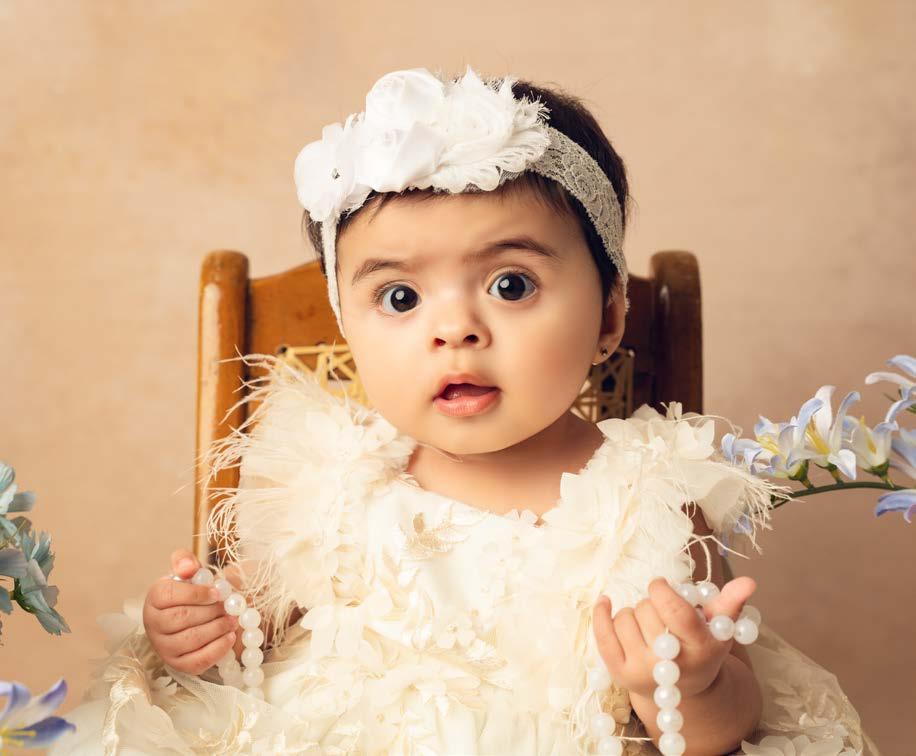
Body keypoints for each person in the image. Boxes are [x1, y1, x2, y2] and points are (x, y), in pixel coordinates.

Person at [50, 66, 881, 755]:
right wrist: (202, 625)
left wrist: (688, 684)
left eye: (510, 285)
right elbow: (251, 622)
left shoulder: (643, 500)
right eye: (400, 297)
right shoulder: (334, 476)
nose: (455, 329)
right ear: (347, 329)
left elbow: (722, 727)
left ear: (608, 318)